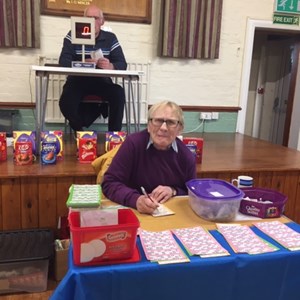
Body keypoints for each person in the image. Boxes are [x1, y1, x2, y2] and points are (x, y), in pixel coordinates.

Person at [101, 100, 197, 214]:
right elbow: (109, 183)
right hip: (133, 212)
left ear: (180, 129)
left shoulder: (186, 156)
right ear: (149, 125)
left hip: (168, 216)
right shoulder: (133, 144)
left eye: (171, 122)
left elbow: (192, 192)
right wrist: (136, 200)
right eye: (158, 120)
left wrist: (173, 190)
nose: (163, 128)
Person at [58, 5, 127, 132]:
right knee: (65, 102)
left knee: (118, 93)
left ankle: (114, 136)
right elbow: (63, 61)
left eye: (95, 18)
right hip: (77, 81)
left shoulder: (110, 38)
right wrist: (82, 63)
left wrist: (110, 66)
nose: (91, 21)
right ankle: (81, 132)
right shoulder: (72, 35)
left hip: (101, 82)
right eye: (88, 18)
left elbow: (122, 63)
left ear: (102, 21)